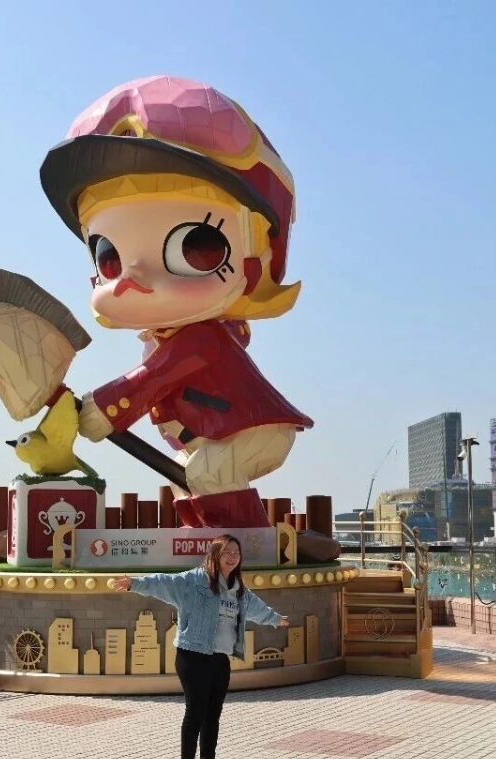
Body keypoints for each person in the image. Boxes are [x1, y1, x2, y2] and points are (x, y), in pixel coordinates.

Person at [38, 75, 314, 529]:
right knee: (189, 474)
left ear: (254, 257)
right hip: (216, 435)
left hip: (255, 429)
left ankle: (248, 543)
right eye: (108, 255)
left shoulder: (202, 339)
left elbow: (150, 380)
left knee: (207, 471)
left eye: (197, 245)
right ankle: (203, 536)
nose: (133, 280)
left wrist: (105, 407)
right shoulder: (165, 338)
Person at [111, 534, 289, 759]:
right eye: (227, 552)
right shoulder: (194, 581)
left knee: (212, 713)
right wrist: (135, 583)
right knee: (195, 712)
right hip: (192, 654)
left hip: (220, 657)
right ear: (215, 554)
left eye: (236, 553)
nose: (232, 557)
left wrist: (275, 619)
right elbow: (164, 583)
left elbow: (255, 607)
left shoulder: (237, 588)